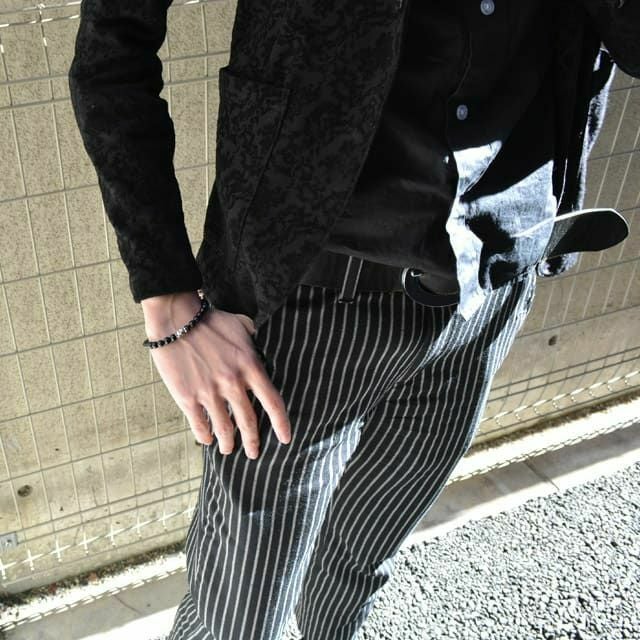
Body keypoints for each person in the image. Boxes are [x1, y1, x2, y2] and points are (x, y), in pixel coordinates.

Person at [67, 0, 638, 638]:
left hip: (490, 288)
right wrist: (166, 295)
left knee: (356, 569)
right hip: (306, 307)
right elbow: (113, 45)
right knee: (240, 612)